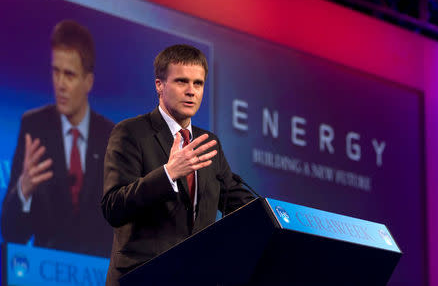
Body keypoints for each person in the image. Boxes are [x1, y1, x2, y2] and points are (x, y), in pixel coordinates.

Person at [102, 44, 254, 285]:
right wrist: (168, 173)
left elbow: (239, 203)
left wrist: (277, 217)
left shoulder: (209, 143)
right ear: (159, 85)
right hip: (142, 278)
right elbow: (113, 207)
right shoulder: (131, 133)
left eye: (198, 83)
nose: (191, 91)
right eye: (182, 82)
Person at [1, 20, 114, 257]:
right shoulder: (34, 128)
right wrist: (24, 189)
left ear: (88, 82)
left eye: (69, 75)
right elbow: (12, 233)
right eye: (56, 72)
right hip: (47, 274)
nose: (60, 84)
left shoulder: (111, 137)